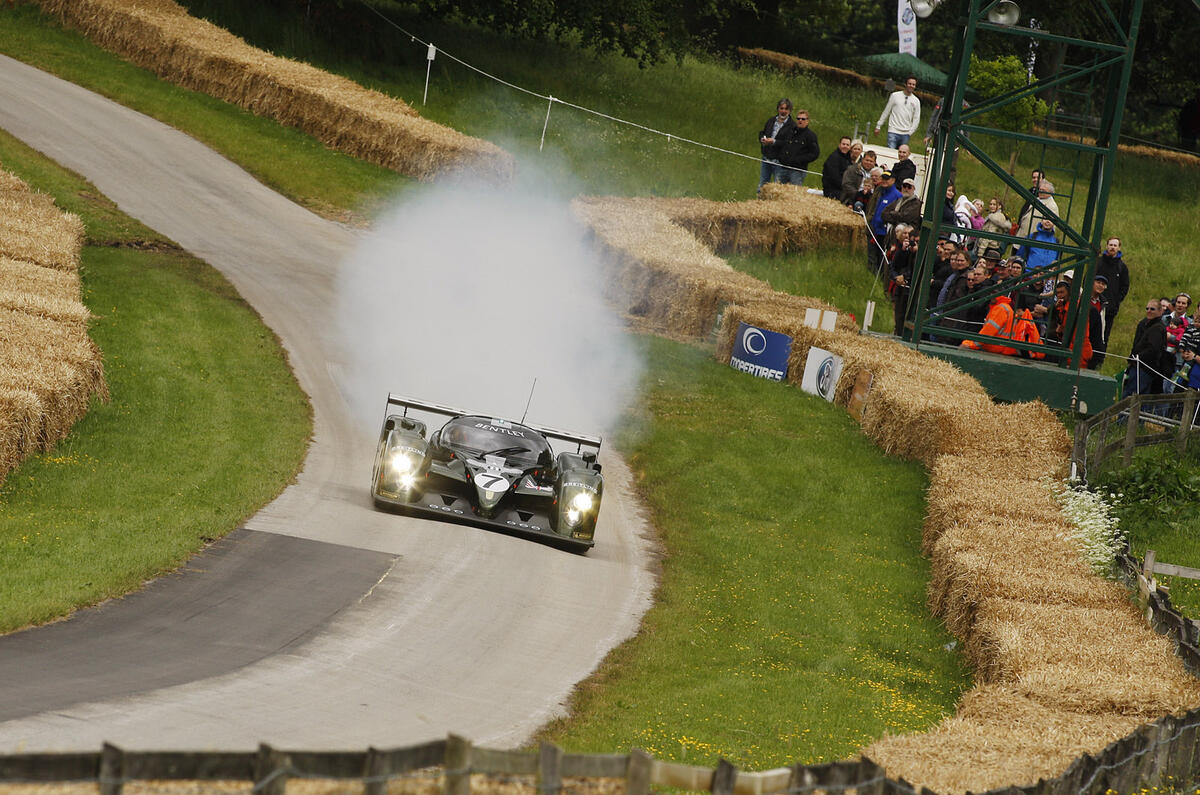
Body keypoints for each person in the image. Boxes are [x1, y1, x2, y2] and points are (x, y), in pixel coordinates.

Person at [1093, 236, 1130, 359]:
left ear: (1119, 248)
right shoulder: (1098, 262)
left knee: (1104, 335)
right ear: (1106, 246)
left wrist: (1116, 301)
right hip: (1093, 304)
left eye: (1115, 245)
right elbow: (1088, 279)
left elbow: (1125, 287)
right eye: (1110, 245)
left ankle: (1099, 359)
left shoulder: (1122, 267)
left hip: (1110, 308)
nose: (1112, 247)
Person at [1122, 298, 1167, 397]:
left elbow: (1153, 349)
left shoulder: (1158, 328)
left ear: (1160, 311)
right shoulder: (1144, 324)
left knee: (1131, 396)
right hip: (1137, 366)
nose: (1149, 311)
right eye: (1147, 308)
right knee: (1137, 396)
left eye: (1152, 309)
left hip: (1144, 368)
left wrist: (1137, 357)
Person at [758, 99, 798, 194]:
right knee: (762, 186)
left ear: (790, 111)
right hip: (766, 159)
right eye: (781, 108)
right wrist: (762, 139)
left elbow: (788, 143)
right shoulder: (771, 120)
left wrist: (774, 142)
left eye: (786, 109)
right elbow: (762, 132)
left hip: (779, 162)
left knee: (777, 189)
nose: (783, 111)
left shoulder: (792, 126)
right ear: (778, 109)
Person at [866, 170, 901, 276]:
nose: (884, 181)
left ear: (893, 180)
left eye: (887, 179)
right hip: (875, 229)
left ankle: (881, 276)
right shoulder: (880, 192)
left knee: (882, 256)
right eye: (883, 179)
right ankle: (871, 274)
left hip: (885, 232)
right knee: (872, 255)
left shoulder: (896, 195)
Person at [874, 76, 921, 149]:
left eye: (913, 84)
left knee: (902, 156)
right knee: (891, 153)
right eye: (909, 83)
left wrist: (910, 132)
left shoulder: (916, 101)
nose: (911, 86)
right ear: (905, 84)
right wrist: (878, 125)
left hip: (906, 133)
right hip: (893, 131)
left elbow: (916, 118)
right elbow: (886, 111)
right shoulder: (895, 95)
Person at [887, 223, 917, 336]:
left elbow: (915, 268)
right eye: (905, 234)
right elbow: (894, 265)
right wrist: (903, 251)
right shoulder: (901, 249)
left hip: (910, 287)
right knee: (898, 315)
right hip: (900, 287)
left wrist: (905, 277)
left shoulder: (918, 252)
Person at [781, 109, 819, 186]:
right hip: (783, 168)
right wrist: (781, 157)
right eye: (798, 118)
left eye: (803, 119)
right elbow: (782, 145)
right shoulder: (790, 132)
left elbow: (815, 154)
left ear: (807, 121)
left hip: (797, 171)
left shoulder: (810, 136)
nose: (800, 120)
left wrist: (799, 160)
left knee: (794, 194)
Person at [1087, 275, 1109, 370]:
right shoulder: (1083, 297)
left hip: (1096, 338)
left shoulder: (1104, 303)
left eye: (1103, 284)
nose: (1100, 286)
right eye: (1098, 283)